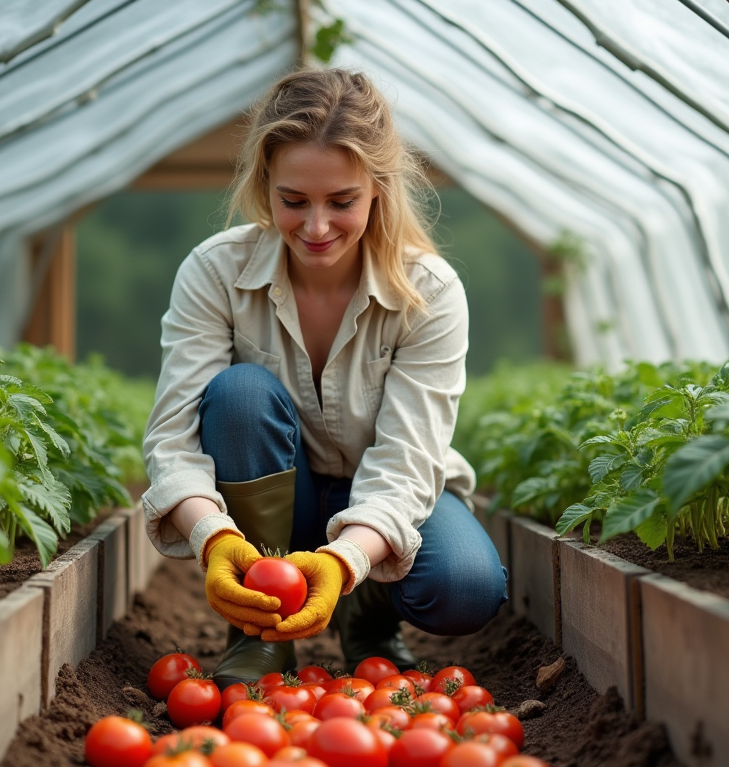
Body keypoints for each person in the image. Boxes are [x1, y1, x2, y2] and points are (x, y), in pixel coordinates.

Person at [141, 68, 507, 687]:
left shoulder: (427, 291)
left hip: (382, 500)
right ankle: (257, 628)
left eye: (342, 202)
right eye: (293, 201)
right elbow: (172, 437)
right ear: (265, 184)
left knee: (466, 587)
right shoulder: (215, 272)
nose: (316, 228)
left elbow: (410, 459)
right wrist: (212, 538)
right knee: (238, 395)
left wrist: (347, 559)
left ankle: (367, 612)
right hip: (279, 517)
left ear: (377, 190)